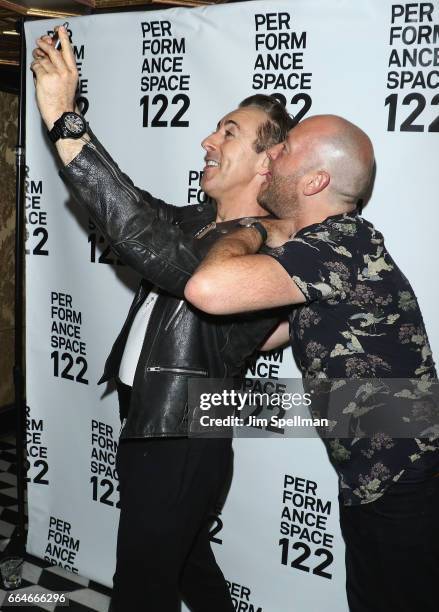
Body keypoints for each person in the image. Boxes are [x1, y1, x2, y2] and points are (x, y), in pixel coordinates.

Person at [30, 26, 293, 612]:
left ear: (269, 160)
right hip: (154, 421)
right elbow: (134, 206)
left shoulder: (265, 250)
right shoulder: (205, 224)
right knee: (189, 564)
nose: (207, 140)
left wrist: (63, 119)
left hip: (180, 437)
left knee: (142, 588)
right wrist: (76, 127)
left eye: (228, 132)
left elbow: (144, 240)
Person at [185, 114, 439, 612]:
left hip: (401, 477)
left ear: (316, 180)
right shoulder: (330, 251)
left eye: (287, 150)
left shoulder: (337, 244)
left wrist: (252, 230)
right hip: (381, 475)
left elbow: (208, 288)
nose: (273, 155)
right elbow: (266, 338)